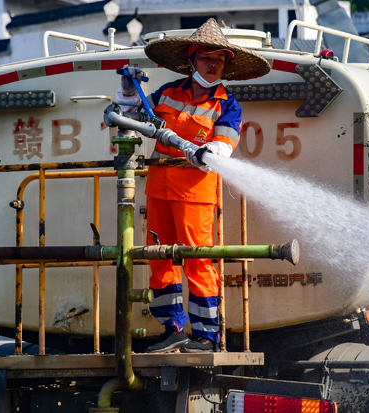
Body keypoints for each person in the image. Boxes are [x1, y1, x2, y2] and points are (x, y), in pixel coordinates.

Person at [115, 18, 270, 353]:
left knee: (198, 260)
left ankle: (205, 335)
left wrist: (207, 151)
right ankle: (173, 328)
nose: (212, 65)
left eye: (219, 59)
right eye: (206, 58)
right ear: (192, 58)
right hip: (158, 190)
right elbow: (127, 116)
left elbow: (224, 145)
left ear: (226, 65)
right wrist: (129, 91)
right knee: (159, 259)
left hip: (195, 195)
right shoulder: (167, 93)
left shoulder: (227, 104)